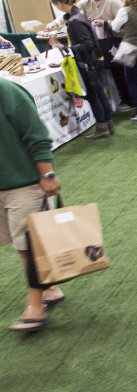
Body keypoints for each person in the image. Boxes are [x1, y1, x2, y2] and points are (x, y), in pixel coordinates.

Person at [1, 76, 65, 333]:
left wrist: (47, 175)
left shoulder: (7, 91)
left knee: (29, 246)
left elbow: (36, 136)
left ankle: (35, 309)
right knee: (22, 246)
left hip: (23, 184)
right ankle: (50, 288)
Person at [48, 0, 114, 138]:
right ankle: (107, 124)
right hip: (95, 61)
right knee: (99, 93)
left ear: (58, 4)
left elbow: (87, 44)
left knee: (93, 95)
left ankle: (102, 127)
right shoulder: (78, 15)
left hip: (88, 63)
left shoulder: (74, 21)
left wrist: (64, 47)